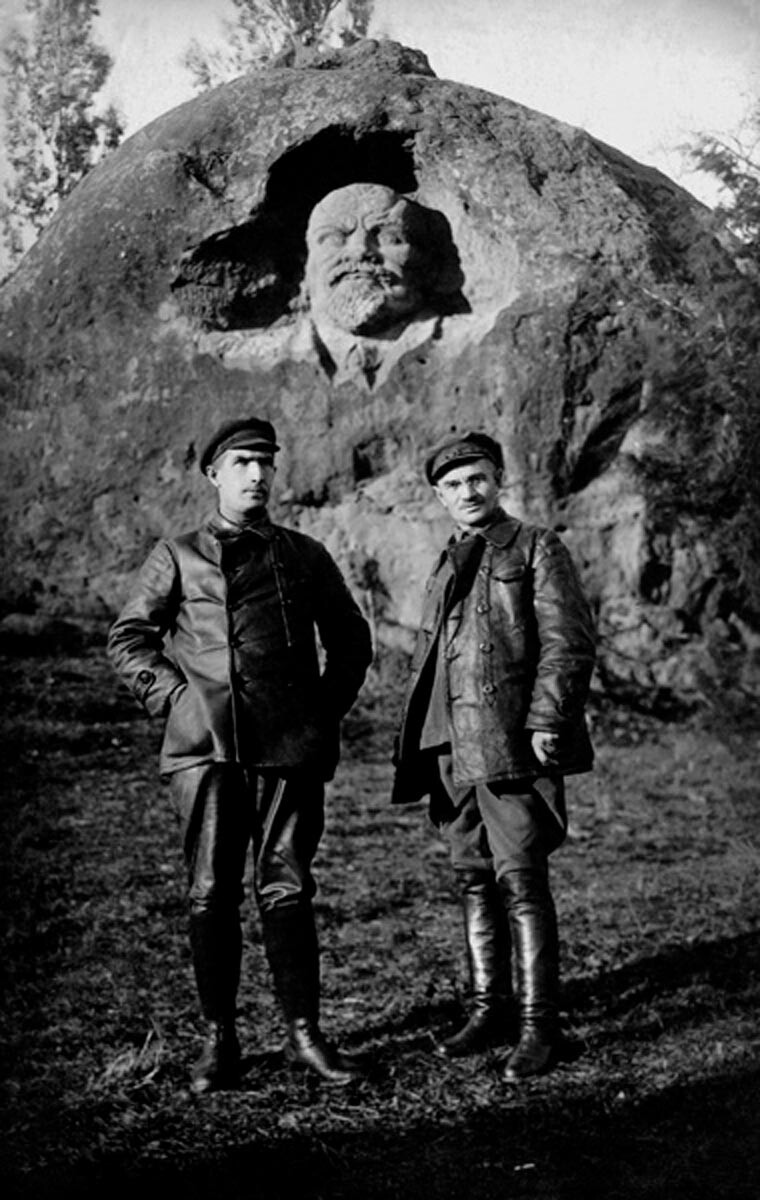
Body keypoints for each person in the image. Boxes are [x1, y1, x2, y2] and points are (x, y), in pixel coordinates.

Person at [107, 416, 373, 1093]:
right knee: (210, 892)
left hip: (289, 748)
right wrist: (175, 701)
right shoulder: (178, 554)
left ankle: (303, 1037)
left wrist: (318, 711)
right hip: (207, 750)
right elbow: (129, 637)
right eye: (242, 463)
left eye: (265, 463)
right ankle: (217, 1041)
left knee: (287, 884)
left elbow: (350, 640)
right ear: (214, 475)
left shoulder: (304, 555)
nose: (256, 475)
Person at [391, 430, 596, 1081]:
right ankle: (490, 1010)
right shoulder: (447, 558)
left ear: (499, 478)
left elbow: (568, 642)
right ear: (438, 495)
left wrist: (545, 721)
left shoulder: (536, 545)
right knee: (473, 877)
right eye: (451, 484)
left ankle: (541, 1027)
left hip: (508, 742)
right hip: (447, 745)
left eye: (476, 478)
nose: (466, 492)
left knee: (521, 880)